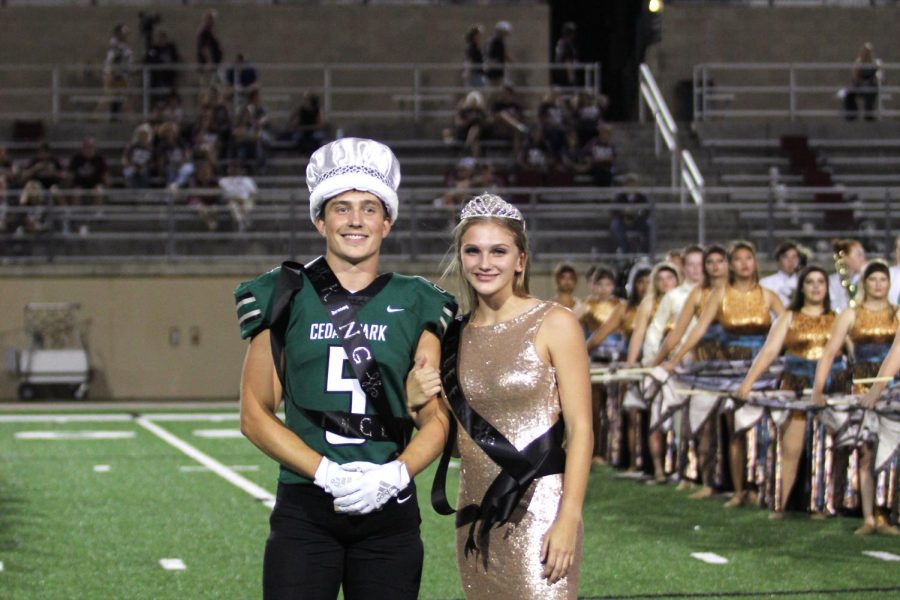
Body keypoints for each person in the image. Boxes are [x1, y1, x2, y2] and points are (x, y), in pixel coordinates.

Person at [237, 137, 456, 599]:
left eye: (369, 208)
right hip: (306, 506)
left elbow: (434, 419)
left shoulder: (419, 301)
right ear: (320, 219)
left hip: (389, 511)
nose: (356, 220)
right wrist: (325, 473)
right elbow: (254, 414)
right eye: (341, 208)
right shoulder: (284, 292)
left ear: (388, 222)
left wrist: (396, 474)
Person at [409, 192, 591, 599]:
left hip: (543, 511)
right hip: (476, 515)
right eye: (473, 251)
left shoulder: (555, 322)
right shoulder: (451, 335)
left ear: (520, 260)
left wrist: (569, 517)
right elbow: (452, 441)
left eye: (498, 251)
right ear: (460, 256)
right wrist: (413, 399)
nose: (485, 263)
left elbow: (580, 430)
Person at [663, 241, 785, 506]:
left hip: (762, 371)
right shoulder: (720, 293)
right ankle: (739, 489)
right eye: (737, 259)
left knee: (761, 431)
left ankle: (760, 489)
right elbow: (698, 330)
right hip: (727, 370)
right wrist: (676, 359)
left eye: (748, 258)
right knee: (734, 429)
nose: (743, 264)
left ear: (755, 262)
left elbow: (788, 326)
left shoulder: (768, 295)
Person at [736, 266, 837, 520]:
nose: (815, 287)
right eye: (810, 282)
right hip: (795, 384)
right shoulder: (788, 317)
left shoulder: (837, 318)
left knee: (827, 447)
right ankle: (780, 503)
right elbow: (769, 352)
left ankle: (820, 505)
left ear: (827, 288)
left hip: (830, 387)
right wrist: (748, 383)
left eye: (820, 282)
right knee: (790, 447)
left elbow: (851, 352)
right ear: (801, 287)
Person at [812, 260, 900, 536]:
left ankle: (886, 513)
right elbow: (829, 353)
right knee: (866, 453)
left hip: (893, 392)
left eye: (882, 280)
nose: (877, 285)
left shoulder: (896, 313)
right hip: (866, 391)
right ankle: (870, 516)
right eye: (872, 279)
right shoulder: (851, 314)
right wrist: (819, 389)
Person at [610, 174, 652, 255]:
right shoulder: (619, 197)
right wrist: (624, 212)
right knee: (615, 225)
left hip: (638, 221)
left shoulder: (642, 197)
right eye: (628, 184)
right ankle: (624, 252)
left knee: (650, 225)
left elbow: (647, 210)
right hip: (623, 222)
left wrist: (637, 212)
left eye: (633, 184)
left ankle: (645, 254)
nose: (631, 187)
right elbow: (614, 211)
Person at [843, 42, 883, 122]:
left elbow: (879, 76)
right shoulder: (858, 63)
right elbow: (855, 76)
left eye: (868, 52)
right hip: (860, 84)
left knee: (870, 91)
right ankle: (851, 115)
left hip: (871, 84)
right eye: (865, 51)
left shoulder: (876, 63)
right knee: (848, 93)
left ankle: (869, 115)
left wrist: (871, 81)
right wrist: (861, 82)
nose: (866, 54)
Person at [102, 23, 134, 120]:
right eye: (122, 33)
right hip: (115, 76)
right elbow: (112, 60)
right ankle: (113, 118)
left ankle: (117, 117)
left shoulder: (123, 46)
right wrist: (112, 74)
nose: (125, 35)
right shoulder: (115, 45)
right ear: (117, 33)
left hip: (122, 76)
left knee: (120, 100)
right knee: (114, 99)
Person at [829, 238, 866, 312]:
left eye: (863, 254)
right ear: (844, 256)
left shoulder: (866, 279)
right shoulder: (832, 281)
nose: (863, 258)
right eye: (859, 255)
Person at [760, 241, 801, 307]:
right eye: (785, 257)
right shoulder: (765, 283)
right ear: (778, 260)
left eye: (794, 257)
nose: (790, 261)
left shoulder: (804, 283)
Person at [196, 10, 223, 86]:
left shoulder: (210, 30)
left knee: (216, 86)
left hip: (214, 65)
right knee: (208, 88)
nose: (213, 20)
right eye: (211, 18)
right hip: (208, 66)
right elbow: (203, 47)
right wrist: (209, 61)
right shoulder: (204, 30)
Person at [485, 21, 512, 86]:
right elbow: (501, 55)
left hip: (494, 71)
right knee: (496, 90)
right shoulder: (497, 42)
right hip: (496, 72)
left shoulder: (492, 41)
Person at [553, 22, 579, 88]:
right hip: (565, 74)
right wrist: (571, 77)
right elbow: (567, 60)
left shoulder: (561, 41)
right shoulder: (566, 43)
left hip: (559, 73)